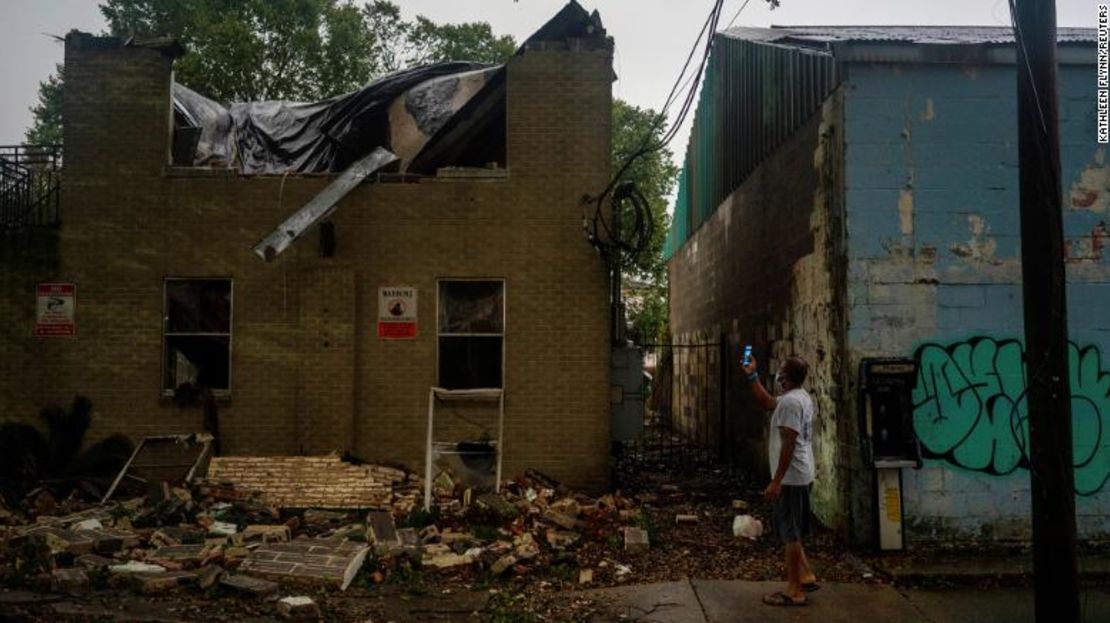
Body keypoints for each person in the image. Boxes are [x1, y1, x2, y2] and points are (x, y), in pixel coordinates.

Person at [742, 353, 818, 606]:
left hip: (792, 478)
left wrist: (777, 480)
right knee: (792, 528)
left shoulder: (790, 403)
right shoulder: (798, 397)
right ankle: (805, 574)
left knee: (790, 534)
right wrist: (752, 375)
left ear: (784, 377)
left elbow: (789, 442)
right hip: (800, 474)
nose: (778, 374)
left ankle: (794, 591)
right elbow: (766, 402)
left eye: (781, 371)